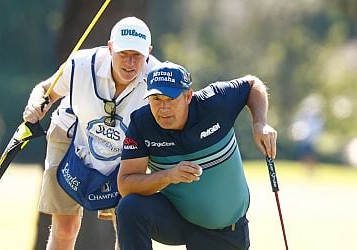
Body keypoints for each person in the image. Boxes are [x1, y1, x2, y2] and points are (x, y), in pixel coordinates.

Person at [22, 17, 160, 250]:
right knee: (65, 227)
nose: (130, 62)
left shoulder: (159, 77)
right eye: (123, 53)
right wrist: (36, 105)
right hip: (69, 137)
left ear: (148, 52)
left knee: (127, 227)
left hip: (126, 152)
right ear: (110, 48)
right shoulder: (81, 64)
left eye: (137, 55)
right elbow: (45, 90)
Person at [116, 62, 277, 250]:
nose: (163, 108)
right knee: (130, 207)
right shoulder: (142, 124)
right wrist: (168, 176)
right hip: (177, 219)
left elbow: (252, 84)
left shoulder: (216, 102)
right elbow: (126, 185)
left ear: (188, 96)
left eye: (171, 99)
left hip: (225, 231)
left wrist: (260, 123)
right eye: (156, 99)